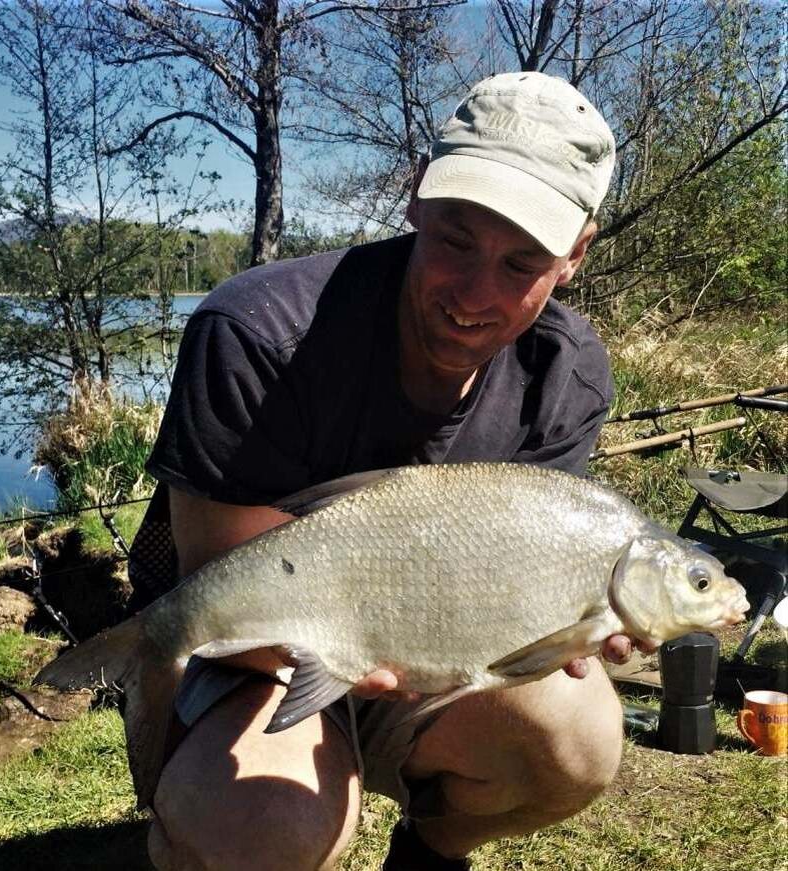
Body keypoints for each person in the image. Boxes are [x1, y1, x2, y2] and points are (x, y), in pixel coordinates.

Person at [128, 71, 637, 870]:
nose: (473, 295)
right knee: (263, 829)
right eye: (455, 241)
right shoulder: (256, 330)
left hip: (443, 650)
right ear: (415, 198)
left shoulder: (566, 374)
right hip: (259, 652)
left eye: (520, 264)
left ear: (575, 254)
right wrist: (354, 658)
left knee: (579, 739)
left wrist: (568, 630)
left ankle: (431, 851)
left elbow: (534, 613)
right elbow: (216, 595)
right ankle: (189, 815)